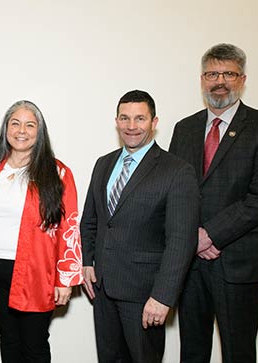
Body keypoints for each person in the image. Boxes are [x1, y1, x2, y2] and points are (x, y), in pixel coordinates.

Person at [169, 43, 258, 363]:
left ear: (243, 79)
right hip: (190, 265)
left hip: (238, 263)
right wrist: (191, 236)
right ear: (201, 79)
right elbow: (174, 192)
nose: (219, 81)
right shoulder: (185, 128)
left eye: (229, 73)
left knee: (238, 352)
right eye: (212, 73)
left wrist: (209, 235)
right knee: (192, 352)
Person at [80, 90, 199, 362]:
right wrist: (88, 261)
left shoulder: (177, 170)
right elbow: (91, 220)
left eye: (140, 118)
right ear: (116, 121)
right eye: (125, 118)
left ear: (154, 122)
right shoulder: (103, 164)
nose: (131, 126)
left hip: (145, 296)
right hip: (103, 289)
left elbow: (181, 241)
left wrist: (162, 297)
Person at [0, 100, 83, 362]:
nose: (22, 130)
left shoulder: (58, 172)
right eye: (15, 123)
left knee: (34, 344)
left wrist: (65, 279)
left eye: (30, 124)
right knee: (8, 338)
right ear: (6, 128)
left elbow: (68, 227)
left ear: (40, 132)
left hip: (37, 272)